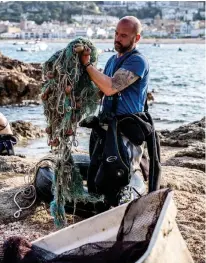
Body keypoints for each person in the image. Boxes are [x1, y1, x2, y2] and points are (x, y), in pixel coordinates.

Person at [80, 16, 160, 206]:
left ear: (136, 38)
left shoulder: (138, 61)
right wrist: (74, 100)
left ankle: (123, 211)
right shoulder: (111, 61)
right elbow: (100, 92)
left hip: (126, 131)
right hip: (106, 127)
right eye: (116, 33)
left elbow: (111, 87)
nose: (117, 38)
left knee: (121, 175)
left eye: (123, 35)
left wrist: (87, 65)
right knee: (98, 174)